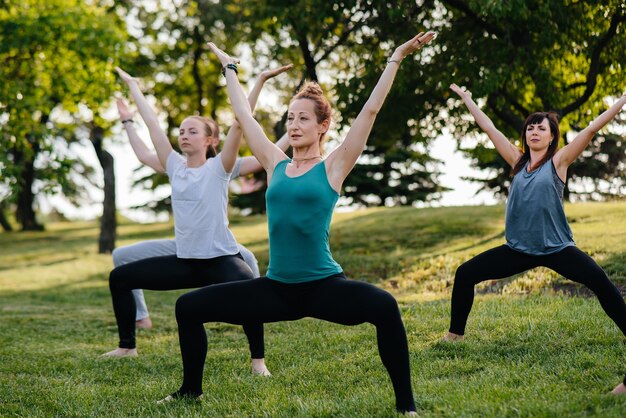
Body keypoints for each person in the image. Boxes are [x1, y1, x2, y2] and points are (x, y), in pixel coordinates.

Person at [156, 32, 436, 414]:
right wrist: (230, 68)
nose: (294, 124)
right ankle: (191, 390)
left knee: (384, 306)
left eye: (303, 118)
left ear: (322, 126)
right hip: (277, 290)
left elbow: (370, 111)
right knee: (188, 307)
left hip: (323, 285)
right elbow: (243, 115)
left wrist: (396, 58)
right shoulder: (276, 163)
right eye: (290, 118)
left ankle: (407, 406)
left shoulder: (335, 166)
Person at [103, 64, 291, 378]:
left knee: (251, 295)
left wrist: (257, 82)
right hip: (186, 260)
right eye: (182, 131)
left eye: (192, 131)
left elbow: (241, 122)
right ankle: (127, 346)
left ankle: (258, 361)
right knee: (119, 277)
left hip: (220, 259)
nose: (184, 135)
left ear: (210, 140)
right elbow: (152, 124)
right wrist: (133, 87)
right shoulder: (174, 166)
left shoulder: (220, 167)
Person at [445, 83, 626, 394]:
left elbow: (592, 128)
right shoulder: (516, 162)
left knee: (598, 279)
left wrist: (621, 100)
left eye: (542, 128)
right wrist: (467, 100)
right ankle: (454, 336)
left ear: (552, 137)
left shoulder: (559, 162)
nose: (535, 132)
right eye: (531, 127)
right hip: (518, 249)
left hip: (557, 248)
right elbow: (487, 127)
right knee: (466, 273)